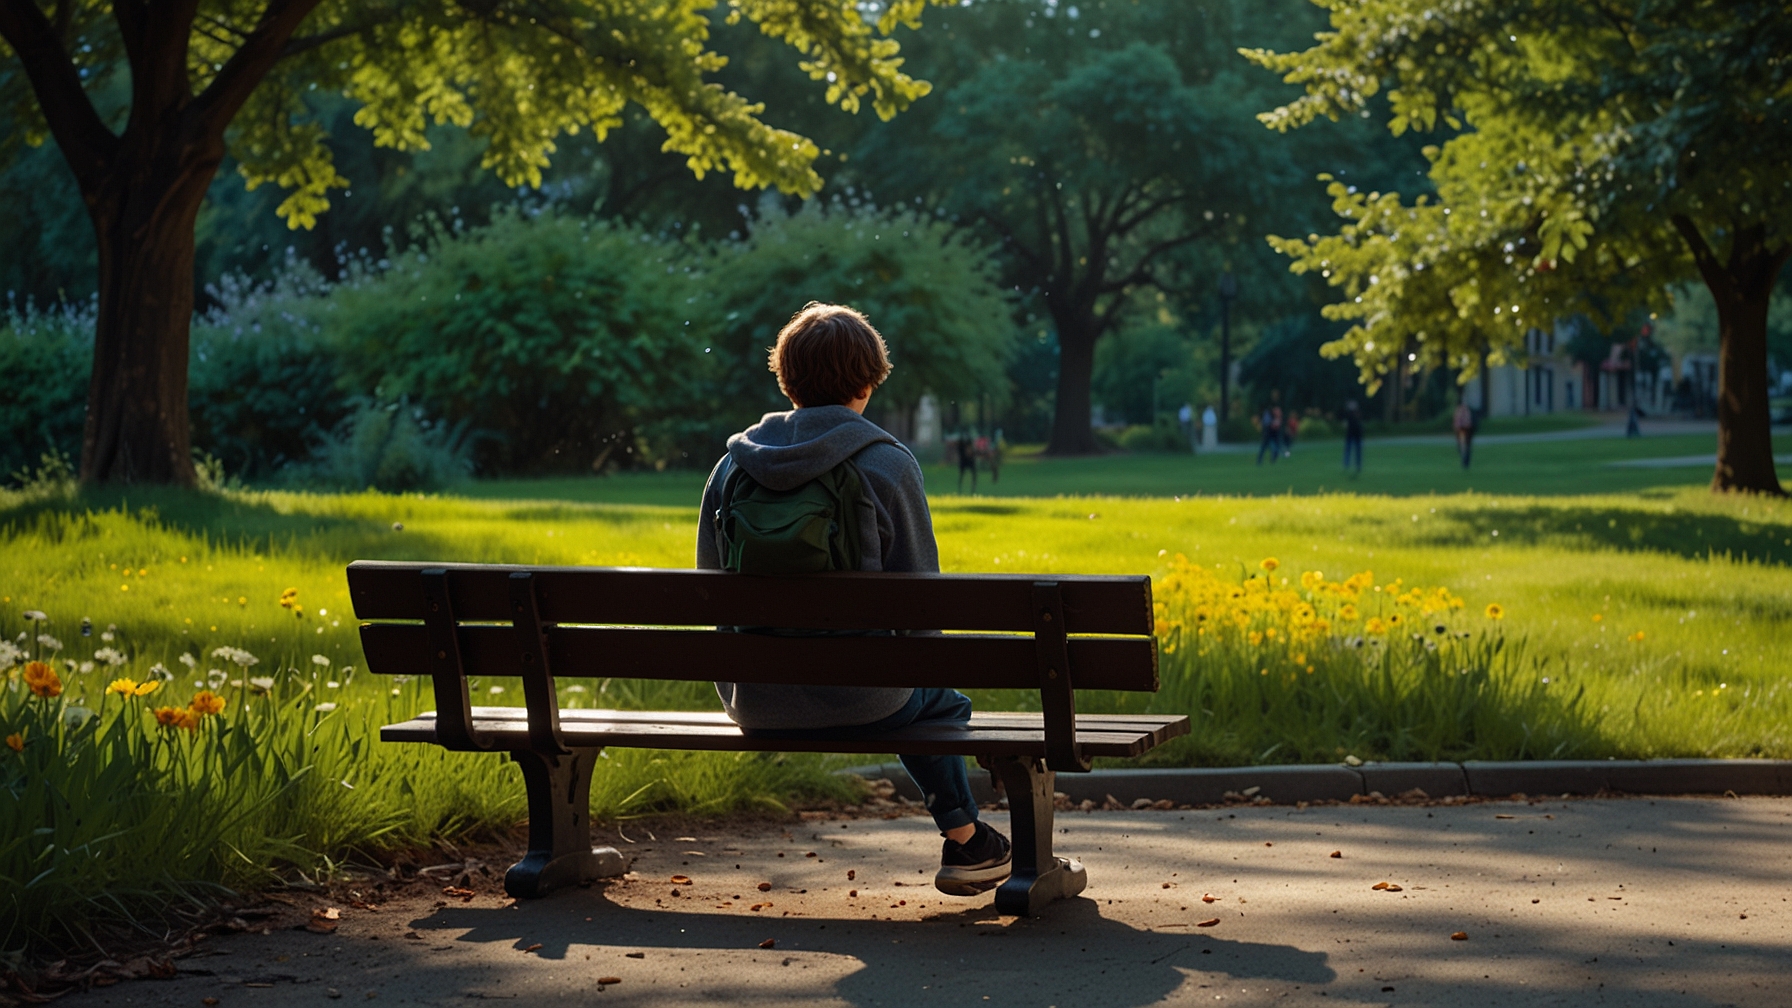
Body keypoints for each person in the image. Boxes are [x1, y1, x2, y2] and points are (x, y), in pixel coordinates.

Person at [695, 302, 1012, 897]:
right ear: (867, 381)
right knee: (941, 704)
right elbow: (922, 602)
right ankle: (967, 840)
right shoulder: (886, 464)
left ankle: (971, 840)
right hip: (868, 699)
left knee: (922, 694)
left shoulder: (730, 470)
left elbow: (712, 592)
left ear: (787, 381)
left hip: (755, 700)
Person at [1342, 400, 1364, 474]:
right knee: (1349, 450)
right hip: (1351, 434)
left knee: (1357, 451)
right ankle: (1347, 465)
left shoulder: (1357, 414)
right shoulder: (1348, 415)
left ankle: (1357, 465)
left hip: (1357, 435)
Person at [1453, 399, 1476, 469]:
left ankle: (1464, 459)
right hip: (1464, 429)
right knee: (1465, 446)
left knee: (1463, 446)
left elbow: (1457, 422)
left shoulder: (1460, 410)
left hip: (1463, 429)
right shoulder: (1466, 410)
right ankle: (1465, 460)